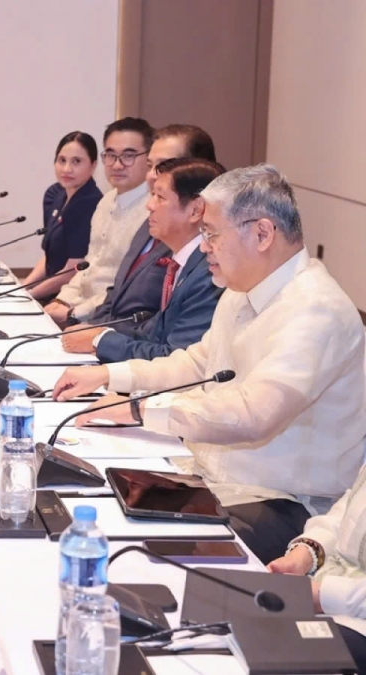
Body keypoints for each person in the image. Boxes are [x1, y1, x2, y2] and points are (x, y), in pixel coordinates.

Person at [52, 164, 366, 563]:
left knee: (141, 552)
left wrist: (135, 409)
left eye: (211, 233)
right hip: (216, 478)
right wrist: (108, 375)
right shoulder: (242, 289)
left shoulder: (316, 310)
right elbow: (197, 363)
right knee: (99, 498)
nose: (202, 247)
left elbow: (254, 415)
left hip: (285, 505)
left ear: (263, 234)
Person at [62, 124, 218, 342]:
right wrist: (87, 328)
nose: (152, 176)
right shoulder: (151, 221)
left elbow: (163, 334)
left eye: (163, 165)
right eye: (150, 165)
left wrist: (100, 339)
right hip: (112, 337)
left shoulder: (206, 255)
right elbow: (116, 292)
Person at [46, 117, 154, 326]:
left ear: (149, 158)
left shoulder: (151, 211)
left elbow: (128, 289)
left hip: (110, 320)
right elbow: (89, 265)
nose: (117, 164)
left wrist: (74, 312)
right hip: (77, 310)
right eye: (111, 155)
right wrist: (62, 299)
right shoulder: (105, 201)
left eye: (129, 155)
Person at [267, 465, 366, 670]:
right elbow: (351, 507)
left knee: (270, 650)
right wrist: (306, 553)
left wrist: (321, 596)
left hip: (355, 617)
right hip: (330, 588)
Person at [21, 131, 103, 301]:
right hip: (48, 290)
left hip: (71, 296)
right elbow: (50, 258)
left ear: (93, 166)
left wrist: (29, 295)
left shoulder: (90, 203)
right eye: (62, 160)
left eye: (77, 161)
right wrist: (21, 288)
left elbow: (72, 270)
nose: (67, 169)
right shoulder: (55, 194)